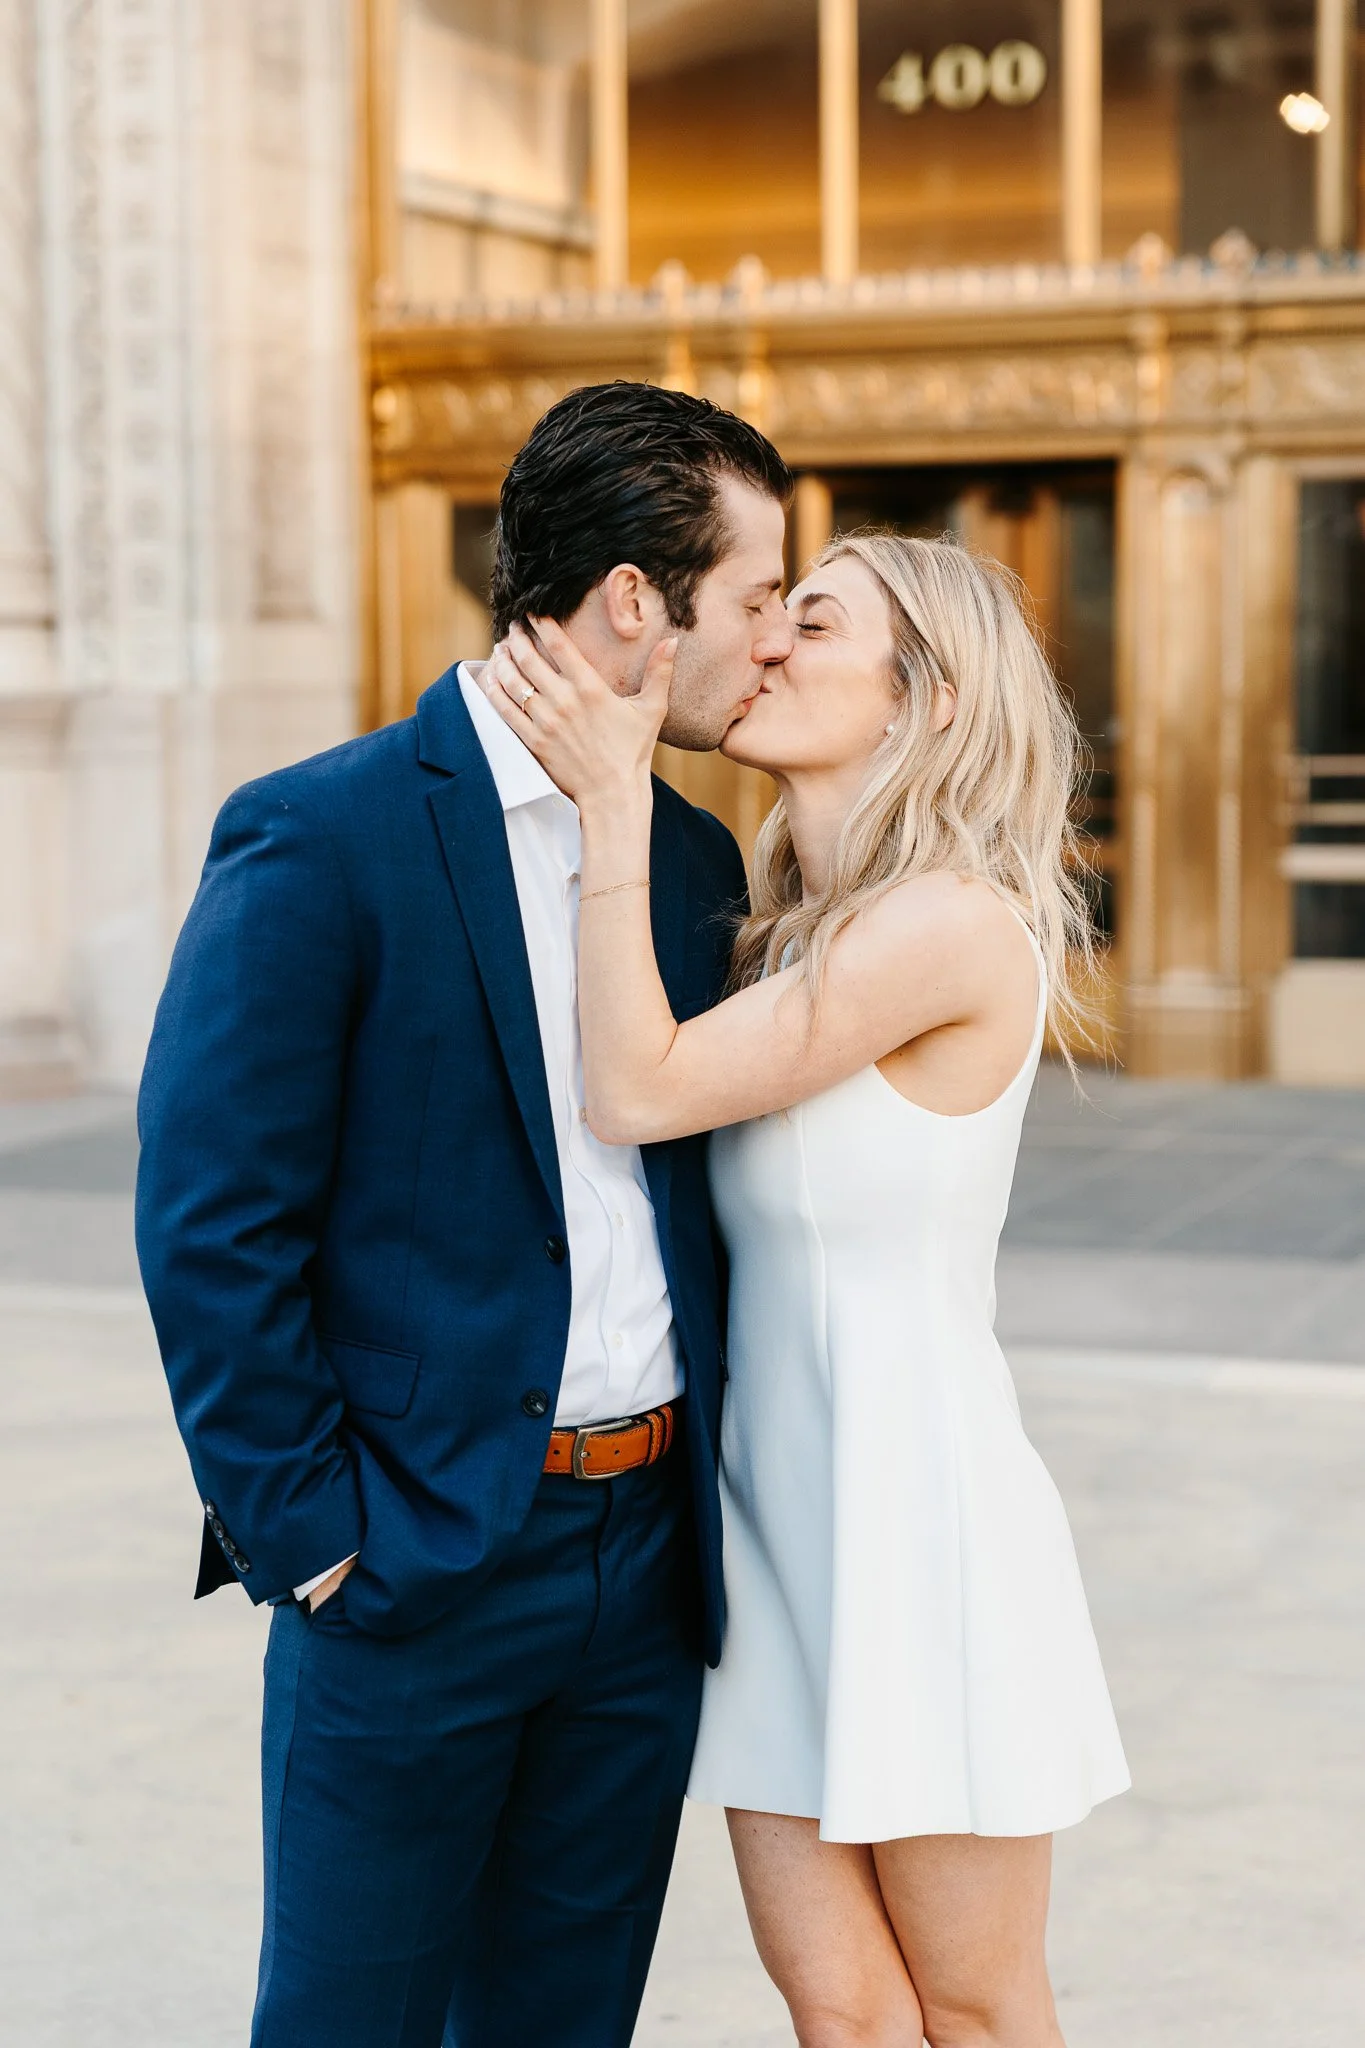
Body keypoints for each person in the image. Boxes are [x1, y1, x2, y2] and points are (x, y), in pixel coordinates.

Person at [134, 381, 796, 2048]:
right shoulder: (323, 833)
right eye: (760, 594)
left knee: (564, 2027)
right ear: (637, 602)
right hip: (411, 1564)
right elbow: (212, 1223)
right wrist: (318, 1541)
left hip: (645, 1572)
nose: (774, 639)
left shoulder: (697, 866)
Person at [484, 530, 1131, 2048]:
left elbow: (637, 1089)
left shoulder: (950, 924)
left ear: (932, 698)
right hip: (769, 1534)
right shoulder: (784, 939)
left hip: (921, 1531)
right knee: (841, 2012)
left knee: (975, 2007)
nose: (766, 643)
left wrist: (611, 799)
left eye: (815, 623)